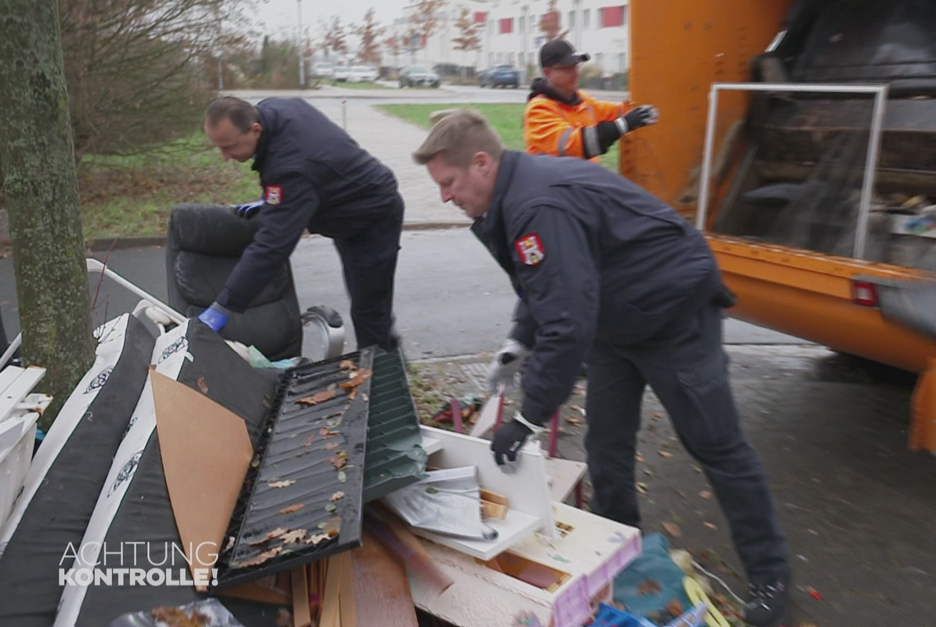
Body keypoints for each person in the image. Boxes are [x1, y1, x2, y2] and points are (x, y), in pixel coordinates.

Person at [413, 109, 793, 627]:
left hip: (672, 311)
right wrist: (517, 344)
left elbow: (567, 319)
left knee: (716, 444)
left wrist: (528, 419)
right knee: (606, 444)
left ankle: (771, 575)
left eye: (449, 183)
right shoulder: (513, 197)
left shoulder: (536, 203)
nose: (445, 197)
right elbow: (543, 285)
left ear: (481, 164)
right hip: (614, 321)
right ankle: (616, 551)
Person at [201, 96, 405, 352]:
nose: (225, 157)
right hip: (341, 201)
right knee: (368, 305)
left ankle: (386, 383)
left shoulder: (291, 169)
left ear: (255, 130)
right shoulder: (272, 109)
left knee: (370, 312)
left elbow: (272, 245)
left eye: (229, 147)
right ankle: (386, 366)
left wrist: (225, 305)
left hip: (372, 216)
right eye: (218, 147)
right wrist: (273, 199)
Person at [523, 39, 659, 161]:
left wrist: (644, 104)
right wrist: (624, 124)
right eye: (567, 69)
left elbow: (616, 111)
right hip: (557, 187)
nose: (576, 73)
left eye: (576, 66)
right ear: (548, 73)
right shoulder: (538, 110)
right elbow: (573, 145)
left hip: (583, 183)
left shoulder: (582, 100)